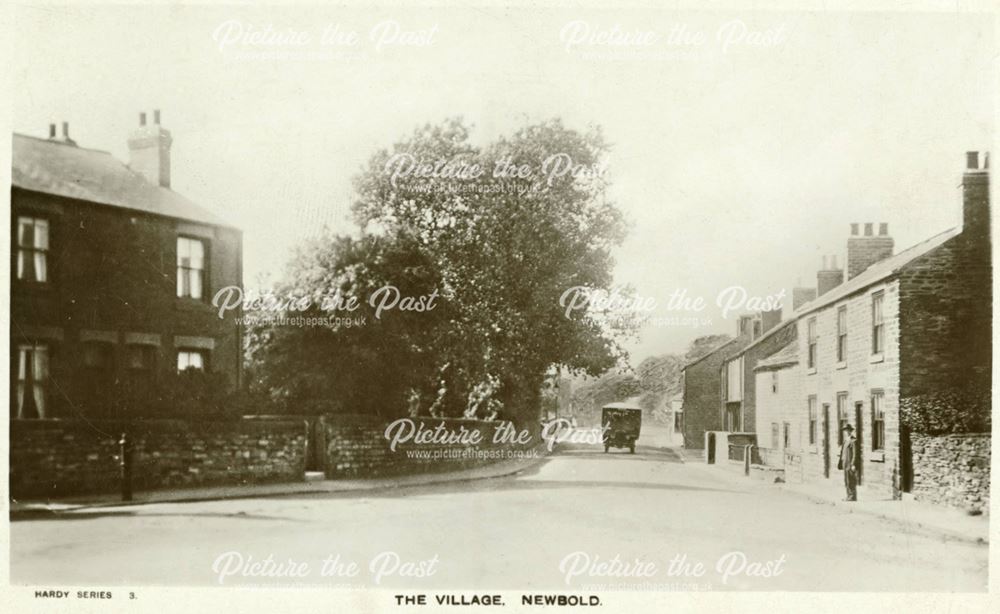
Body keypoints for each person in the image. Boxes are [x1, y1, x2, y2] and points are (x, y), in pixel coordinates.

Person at [837, 424, 857, 501]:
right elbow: (843, 452)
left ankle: (852, 496)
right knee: (846, 480)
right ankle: (848, 496)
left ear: (851, 431)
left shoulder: (853, 440)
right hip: (844, 462)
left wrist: (853, 464)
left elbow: (855, 453)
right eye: (845, 430)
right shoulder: (845, 440)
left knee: (851, 480)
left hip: (849, 463)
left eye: (848, 430)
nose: (846, 432)